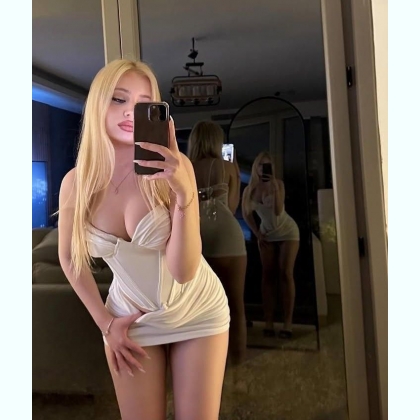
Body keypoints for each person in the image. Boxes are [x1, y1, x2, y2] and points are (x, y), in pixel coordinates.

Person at [57, 59, 230, 420]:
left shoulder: (174, 168)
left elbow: (183, 271)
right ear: (98, 102)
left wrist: (184, 194)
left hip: (197, 307)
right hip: (129, 320)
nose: (129, 112)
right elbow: (70, 260)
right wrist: (106, 324)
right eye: (119, 99)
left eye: (142, 103)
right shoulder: (76, 183)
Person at [187, 121, 247, 365]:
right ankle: (238, 366)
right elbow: (231, 208)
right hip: (227, 235)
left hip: (196, 237)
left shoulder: (185, 167)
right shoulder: (227, 167)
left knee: (198, 309)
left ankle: (203, 366)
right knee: (236, 306)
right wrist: (237, 180)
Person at [241, 151, 299, 339]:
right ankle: (268, 322)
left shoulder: (278, 184)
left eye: (267, 166)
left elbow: (278, 211)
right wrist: (257, 233)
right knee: (268, 275)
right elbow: (246, 214)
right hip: (266, 233)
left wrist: (274, 188)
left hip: (288, 231)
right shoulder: (250, 190)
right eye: (261, 165)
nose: (263, 169)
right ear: (255, 167)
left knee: (286, 273)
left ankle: (288, 324)